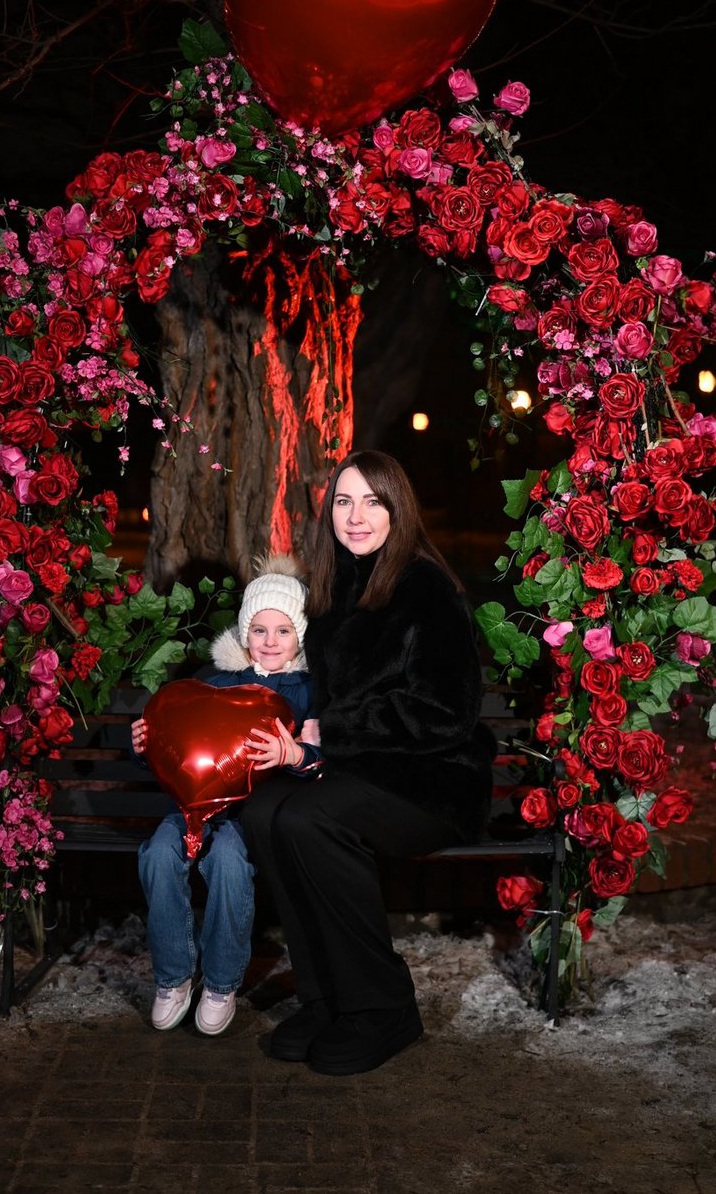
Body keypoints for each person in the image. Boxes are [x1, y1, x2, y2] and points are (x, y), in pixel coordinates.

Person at [241, 450, 497, 1076]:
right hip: (360, 773)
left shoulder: (427, 589)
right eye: (344, 502)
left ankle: (383, 1008)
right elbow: (282, 678)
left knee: (309, 819)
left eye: (373, 502)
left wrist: (338, 730)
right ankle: (327, 997)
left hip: (433, 782)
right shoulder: (332, 590)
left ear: (397, 510)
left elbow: (445, 714)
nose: (357, 517)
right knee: (266, 809)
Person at [131, 553, 318, 1037]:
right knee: (157, 854)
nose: (270, 641)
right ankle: (173, 976)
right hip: (194, 806)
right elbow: (178, 745)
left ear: (299, 636)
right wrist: (144, 744)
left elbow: (322, 762)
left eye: (283, 631)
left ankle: (220, 981)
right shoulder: (214, 684)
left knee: (230, 863)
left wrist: (294, 754)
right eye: (259, 630)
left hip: (251, 813)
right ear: (243, 633)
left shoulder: (308, 694)